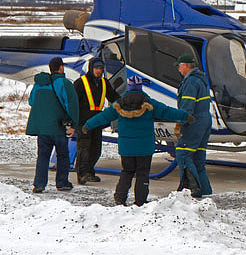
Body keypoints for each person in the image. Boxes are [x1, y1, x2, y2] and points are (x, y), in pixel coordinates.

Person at [83, 76, 193, 206]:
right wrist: (185, 116)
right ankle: (140, 201)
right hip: (144, 147)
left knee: (127, 172)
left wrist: (87, 125)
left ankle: (120, 197)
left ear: (129, 87)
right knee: (142, 173)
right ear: (140, 87)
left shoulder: (118, 104)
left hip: (126, 147)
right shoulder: (150, 103)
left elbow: (103, 116)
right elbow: (167, 112)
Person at [27, 57, 79, 193]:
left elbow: (32, 101)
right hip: (58, 127)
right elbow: (71, 105)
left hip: (42, 129)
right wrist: (73, 124)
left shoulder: (39, 84)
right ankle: (62, 183)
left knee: (43, 156)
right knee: (62, 156)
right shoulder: (64, 83)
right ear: (61, 68)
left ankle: (39, 184)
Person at [73, 58, 120, 184]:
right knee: (84, 148)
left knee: (96, 149)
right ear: (91, 68)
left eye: (100, 69)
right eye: (96, 68)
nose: (99, 71)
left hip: (97, 121)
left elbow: (113, 97)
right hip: (83, 121)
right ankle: (82, 174)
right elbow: (73, 103)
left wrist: (123, 103)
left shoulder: (104, 82)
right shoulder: (80, 82)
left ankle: (90, 172)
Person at [174, 53, 213, 196]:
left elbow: (187, 107)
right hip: (205, 121)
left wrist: (179, 125)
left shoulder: (190, 82)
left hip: (194, 122)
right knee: (198, 159)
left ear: (185, 66)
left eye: (179, 66)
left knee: (183, 154)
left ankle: (191, 190)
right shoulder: (201, 80)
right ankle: (205, 190)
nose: (178, 70)